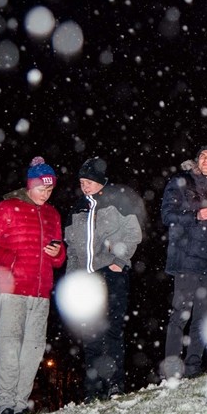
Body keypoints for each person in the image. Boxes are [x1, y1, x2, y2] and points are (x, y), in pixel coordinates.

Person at [0, 156, 65, 414]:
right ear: (30, 185)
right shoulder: (7, 208)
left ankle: (19, 404)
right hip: (13, 290)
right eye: (42, 188)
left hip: (41, 293)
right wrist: (11, 260)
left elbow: (59, 258)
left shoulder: (52, 214)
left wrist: (58, 253)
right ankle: (4, 403)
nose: (46, 194)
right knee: (9, 346)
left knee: (34, 349)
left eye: (50, 190)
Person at [64, 157, 143, 401]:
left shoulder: (117, 201)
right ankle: (92, 390)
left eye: (88, 181)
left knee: (112, 331)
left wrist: (119, 262)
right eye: (81, 182)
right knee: (91, 335)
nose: (84, 186)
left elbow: (133, 233)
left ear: (99, 182)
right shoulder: (77, 208)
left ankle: (114, 385)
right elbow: (72, 249)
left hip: (111, 274)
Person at [161, 146, 207, 379]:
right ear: (197, 161)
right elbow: (167, 215)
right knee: (180, 314)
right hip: (186, 258)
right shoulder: (182, 181)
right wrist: (195, 216)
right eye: (203, 156)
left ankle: (193, 369)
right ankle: (171, 371)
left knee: (203, 317)